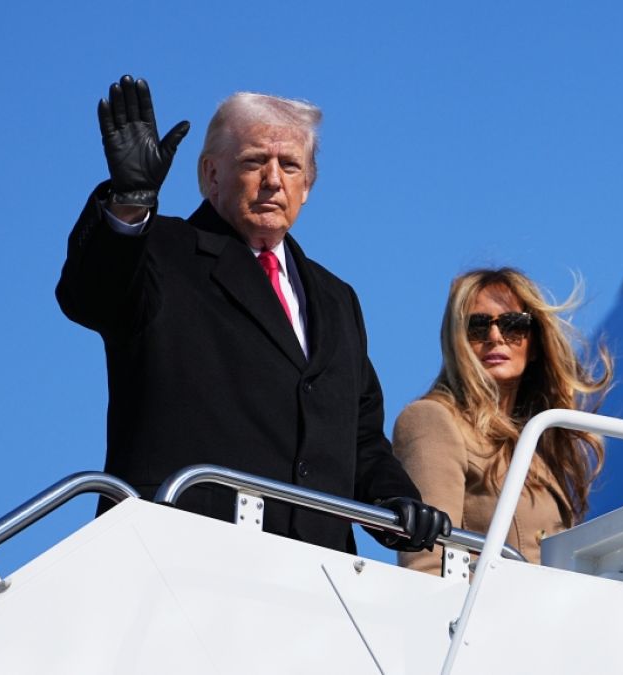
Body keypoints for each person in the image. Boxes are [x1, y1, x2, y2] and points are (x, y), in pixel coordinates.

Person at [56, 75, 450, 554]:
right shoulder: (159, 250)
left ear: (308, 185)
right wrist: (130, 201)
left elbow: (358, 438)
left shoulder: (336, 299)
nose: (273, 180)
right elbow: (90, 295)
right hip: (180, 559)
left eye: (289, 165)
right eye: (254, 162)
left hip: (316, 579)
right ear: (210, 174)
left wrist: (396, 500)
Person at [393, 268, 613, 573]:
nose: (495, 337)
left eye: (513, 324)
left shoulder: (539, 441)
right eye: (478, 326)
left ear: (534, 342)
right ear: (456, 341)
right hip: (483, 616)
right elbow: (427, 566)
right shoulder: (434, 420)